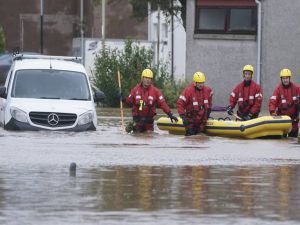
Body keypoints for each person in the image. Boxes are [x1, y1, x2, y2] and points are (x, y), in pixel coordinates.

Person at [122, 68, 178, 132]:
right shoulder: (135, 90)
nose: (148, 80)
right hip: (137, 122)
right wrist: (123, 99)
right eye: (146, 78)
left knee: (149, 137)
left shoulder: (155, 91)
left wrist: (170, 114)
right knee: (136, 138)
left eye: (149, 78)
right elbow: (129, 101)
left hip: (148, 123)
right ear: (142, 78)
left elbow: (162, 103)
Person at [177, 71, 213, 136]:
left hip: (202, 123)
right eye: (199, 83)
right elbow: (180, 104)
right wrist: (183, 117)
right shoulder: (188, 91)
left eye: (202, 83)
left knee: (201, 139)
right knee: (190, 139)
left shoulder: (208, 91)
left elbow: (209, 103)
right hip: (190, 123)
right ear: (195, 83)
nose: (201, 85)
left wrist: (208, 113)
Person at [269, 68, 300, 137]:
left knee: (293, 143)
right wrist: (272, 111)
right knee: (281, 142)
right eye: (283, 78)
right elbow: (272, 101)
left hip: (294, 121)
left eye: (287, 78)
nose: (285, 80)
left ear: (289, 78)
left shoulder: (296, 89)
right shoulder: (278, 90)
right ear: (281, 79)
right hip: (282, 121)